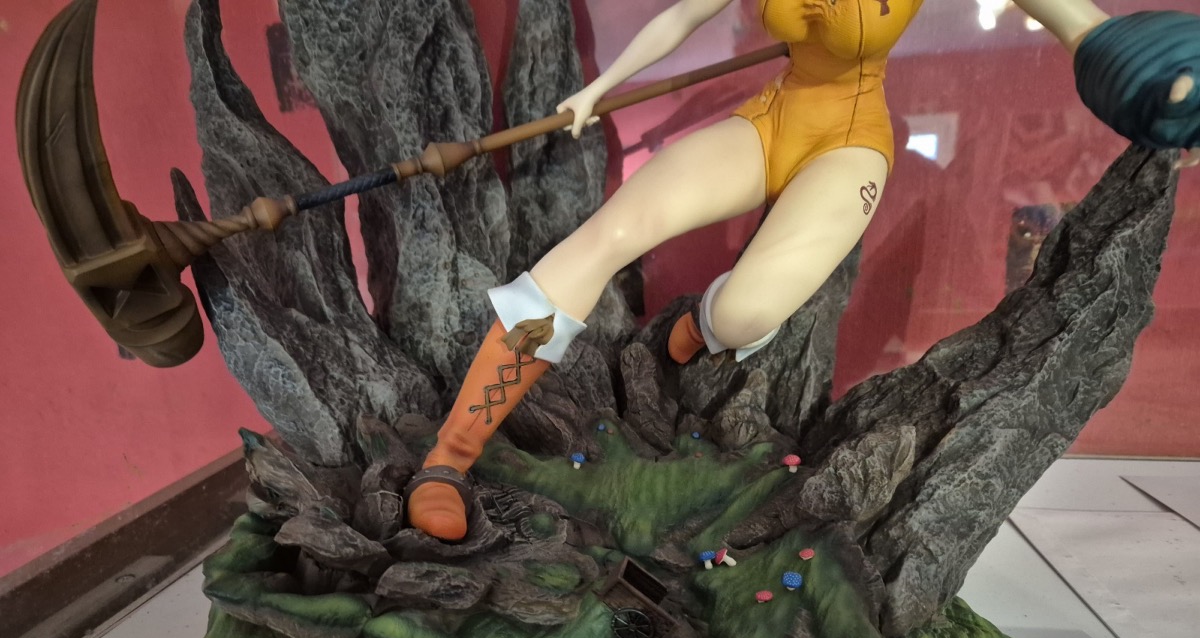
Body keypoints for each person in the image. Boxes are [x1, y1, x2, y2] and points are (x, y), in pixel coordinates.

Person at [405, 0, 1198, 541]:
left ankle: (703, 324)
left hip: (849, 143)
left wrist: (1156, 83)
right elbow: (685, 13)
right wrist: (600, 89)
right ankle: (450, 456)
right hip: (772, 120)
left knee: (746, 316)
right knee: (604, 236)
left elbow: (1079, 24)